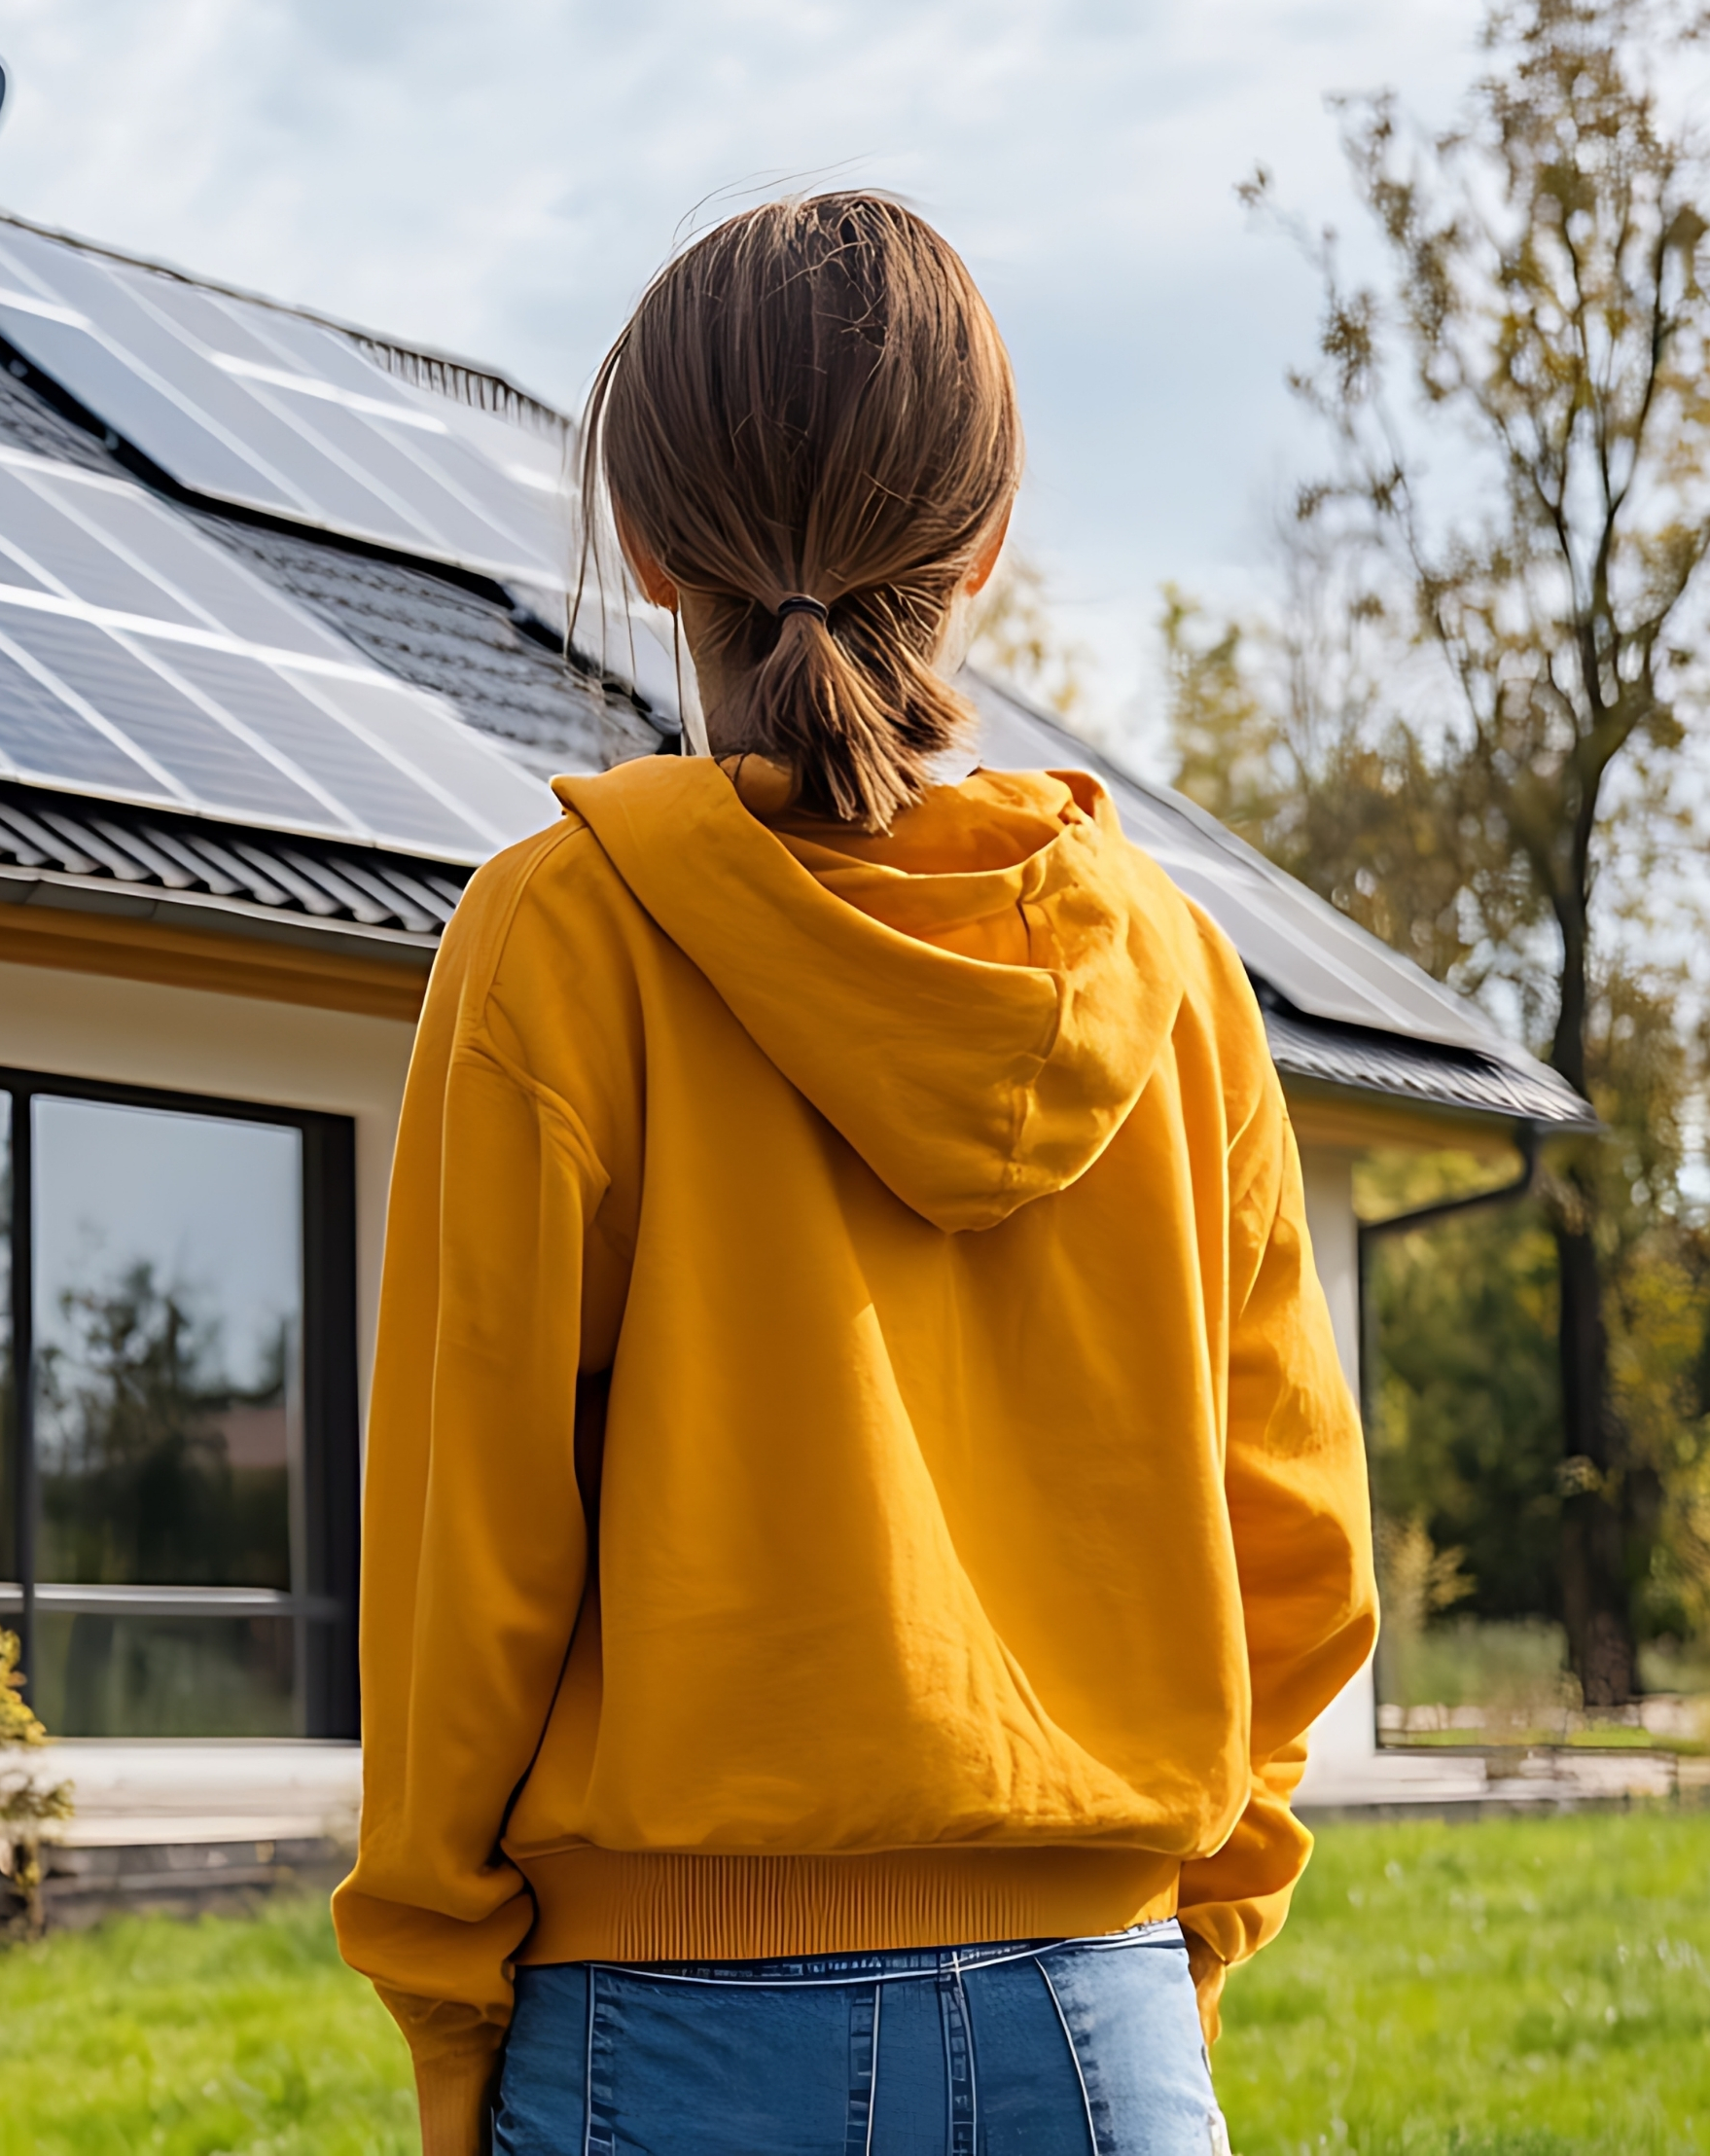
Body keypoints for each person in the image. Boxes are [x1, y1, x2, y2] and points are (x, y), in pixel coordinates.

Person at [333, 194, 1375, 2155]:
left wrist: (448, 2011)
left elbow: (463, 1563)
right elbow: (1299, 1559)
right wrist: (1165, 1931)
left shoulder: (553, 941)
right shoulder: (1166, 974)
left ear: (643, 549)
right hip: (1099, 2024)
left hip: (655, 2030)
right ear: (983, 546)